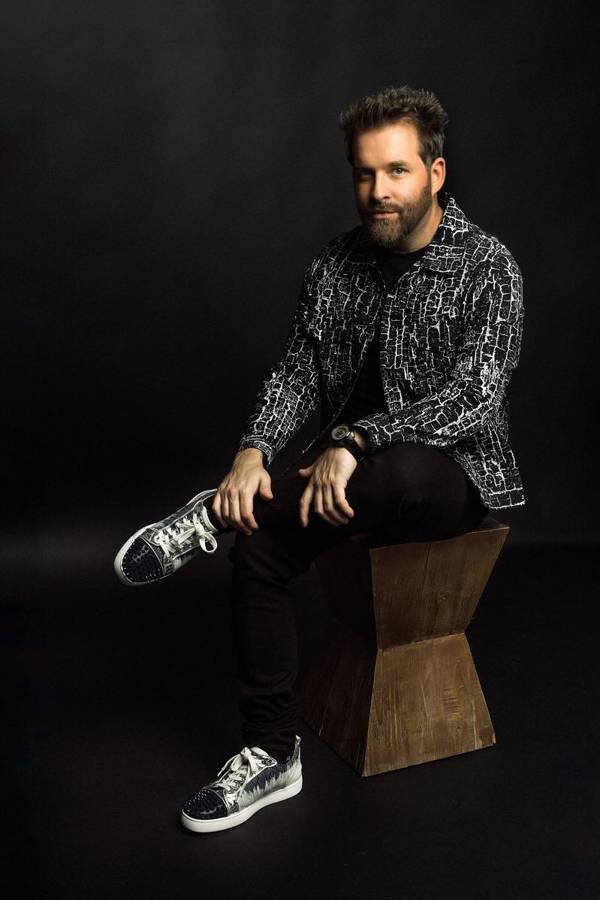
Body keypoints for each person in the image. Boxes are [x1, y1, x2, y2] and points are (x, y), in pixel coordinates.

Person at [114, 84, 525, 833]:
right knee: (260, 550)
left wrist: (352, 440)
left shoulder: (488, 268)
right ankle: (271, 754)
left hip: (447, 478)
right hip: (340, 482)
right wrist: (250, 452)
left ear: (435, 173)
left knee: (399, 466)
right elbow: (298, 370)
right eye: (365, 175)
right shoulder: (335, 267)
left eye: (397, 172)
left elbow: (474, 397)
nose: (379, 193)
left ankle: (208, 516)